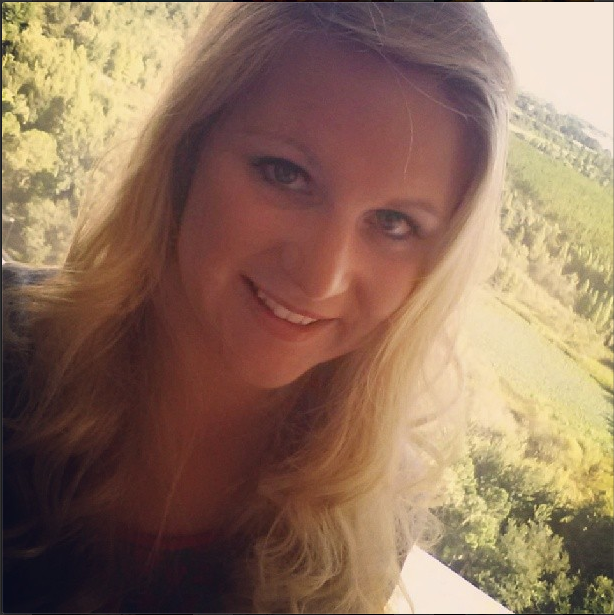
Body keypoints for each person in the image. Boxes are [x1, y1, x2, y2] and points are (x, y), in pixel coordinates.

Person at [2, 3, 514, 613]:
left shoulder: (366, 523)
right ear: (186, 149)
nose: (323, 276)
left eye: (394, 223)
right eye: (285, 173)